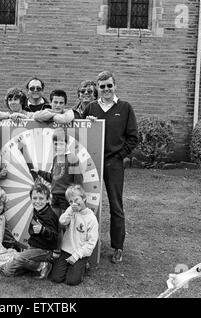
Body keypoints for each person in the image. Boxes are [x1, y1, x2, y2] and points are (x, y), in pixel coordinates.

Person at [82, 70, 139, 263]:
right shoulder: (90, 107)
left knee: (116, 205)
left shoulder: (125, 107)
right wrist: (87, 124)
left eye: (109, 85)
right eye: (102, 86)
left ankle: (118, 247)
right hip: (92, 162)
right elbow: (79, 129)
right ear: (97, 88)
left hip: (113, 163)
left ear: (115, 86)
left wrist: (119, 156)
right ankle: (84, 241)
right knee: (85, 202)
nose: (106, 89)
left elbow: (133, 138)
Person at [31, 127, 83, 258]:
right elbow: (54, 178)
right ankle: (56, 251)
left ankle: (68, 252)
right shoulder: (55, 158)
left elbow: (78, 182)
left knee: (66, 226)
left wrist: (75, 199)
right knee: (54, 224)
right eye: (55, 143)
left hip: (66, 199)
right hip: (54, 198)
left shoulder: (72, 158)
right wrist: (40, 172)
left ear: (66, 143)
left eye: (61, 143)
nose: (58, 146)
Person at [4, 183, 58, 279]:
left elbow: (55, 237)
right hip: (34, 247)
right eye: (35, 198)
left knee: (8, 270)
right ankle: (39, 265)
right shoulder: (38, 210)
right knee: (19, 260)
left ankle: (43, 265)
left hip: (44, 250)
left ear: (47, 200)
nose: (37, 201)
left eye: (41, 198)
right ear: (31, 198)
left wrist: (43, 230)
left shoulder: (49, 215)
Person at [49, 185, 98, 286]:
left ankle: (83, 266)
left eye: (76, 199)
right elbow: (62, 221)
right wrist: (70, 210)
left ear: (84, 198)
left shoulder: (91, 219)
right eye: (70, 202)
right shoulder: (71, 212)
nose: (74, 203)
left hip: (79, 253)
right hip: (66, 250)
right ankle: (69, 267)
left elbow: (91, 243)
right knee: (56, 278)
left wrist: (76, 256)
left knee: (71, 281)